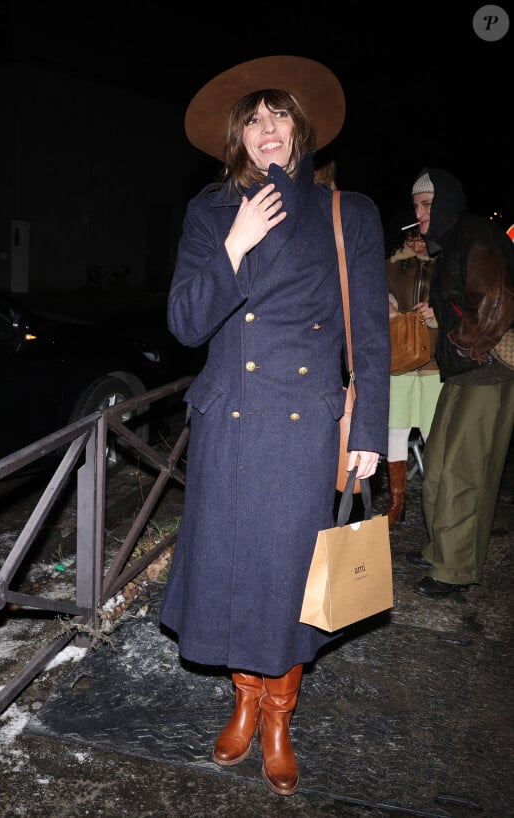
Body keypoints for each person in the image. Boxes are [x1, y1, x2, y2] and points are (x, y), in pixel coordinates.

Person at [159, 55, 390, 796]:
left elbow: (372, 342)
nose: (266, 129)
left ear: (301, 127)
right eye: (253, 119)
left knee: (288, 581)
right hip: (228, 421)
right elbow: (186, 323)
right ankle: (243, 700)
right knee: (231, 576)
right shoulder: (208, 210)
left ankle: (280, 711)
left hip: (301, 427)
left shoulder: (345, 211)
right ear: (238, 134)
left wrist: (369, 433)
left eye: (278, 115)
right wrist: (235, 242)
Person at [406, 168, 514, 597]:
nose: (419, 212)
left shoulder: (475, 234)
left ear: (446, 201)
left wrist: (464, 343)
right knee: (437, 466)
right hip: (462, 367)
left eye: (427, 204)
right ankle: (440, 549)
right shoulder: (453, 238)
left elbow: (496, 301)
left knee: (464, 472)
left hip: (484, 368)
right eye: (415, 204)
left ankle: (455, 567)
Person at [385, 224, 442, 527]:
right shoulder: (391, 264)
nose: (417, 243)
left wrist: (437, 314)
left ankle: (436, 503)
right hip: (401, 358)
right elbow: (371, 292)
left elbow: (458, 304)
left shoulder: (444, 263)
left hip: (433, 361)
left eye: (421, 237)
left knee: (433, 434)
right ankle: (397, 502)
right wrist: (390, 308)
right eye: (411, 236)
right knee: (396, 429)